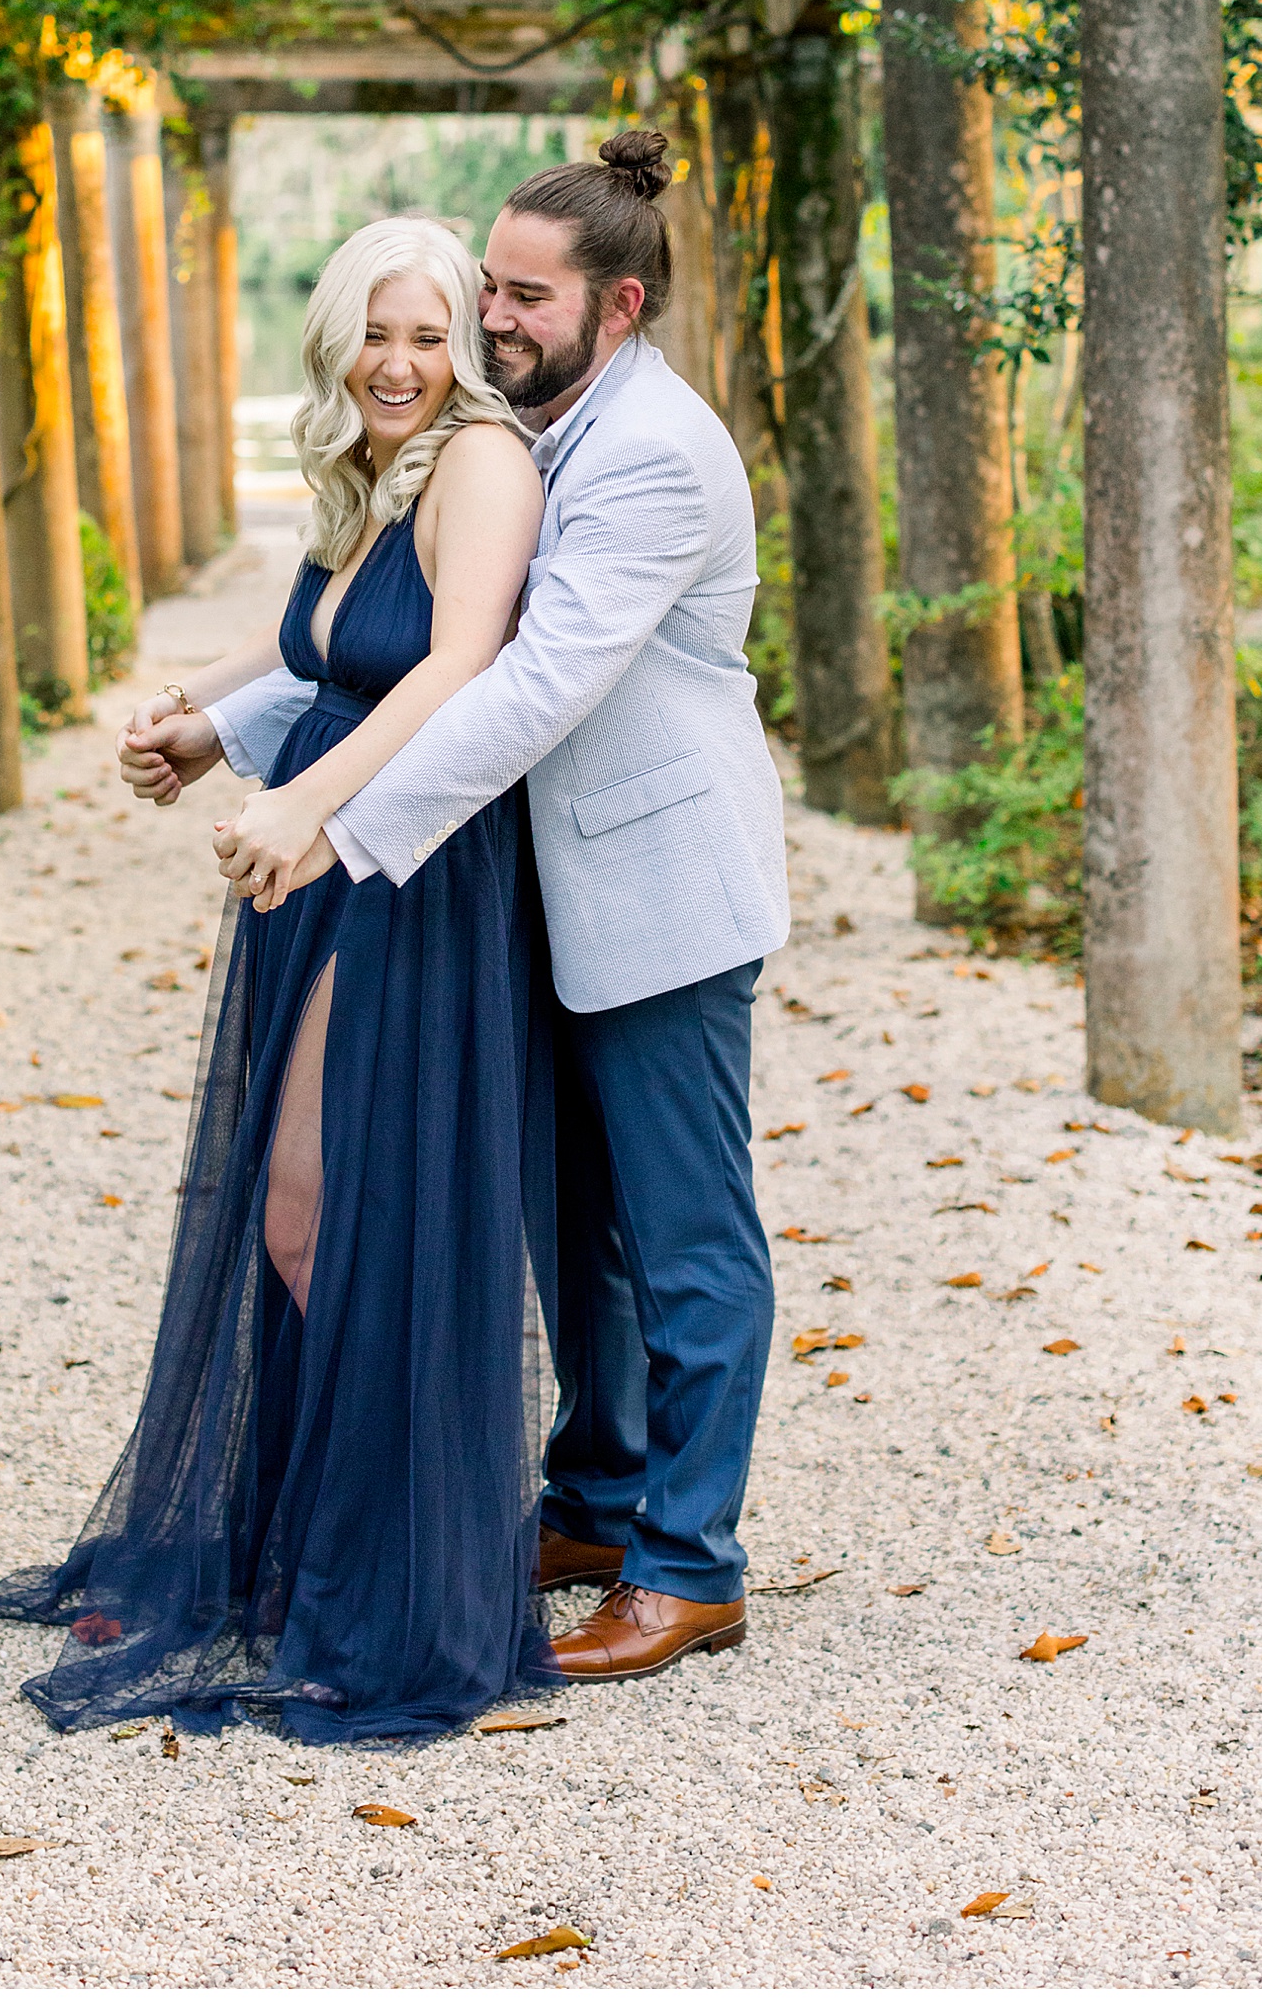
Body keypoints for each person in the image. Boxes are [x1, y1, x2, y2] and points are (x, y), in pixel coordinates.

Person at [139, 127, 790, 1683]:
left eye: (520, 297)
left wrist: (337, 824)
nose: (490, 318)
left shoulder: (648, 450)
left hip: (651, 876)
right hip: (537, 892)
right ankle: (598, 1494)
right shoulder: (531, 420)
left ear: (618, 307)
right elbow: (379, 618)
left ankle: (691, 1562)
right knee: (580, 1234)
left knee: (686, 1234)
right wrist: (229, 730)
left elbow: (526, 680)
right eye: (482, 287)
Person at [0, 216, 559, 1745]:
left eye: (431, 334)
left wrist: (311, 810)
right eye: (379, 332)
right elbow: (321, 646)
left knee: (330, 1211)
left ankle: (402, 1585)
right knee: (303, 1209)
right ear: (337, 337)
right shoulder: (368, 476)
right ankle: (314, 1550)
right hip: (328, 865)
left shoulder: (483, 463)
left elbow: (454, 667)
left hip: (410, 870)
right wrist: (204, 721)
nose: (404, 362)